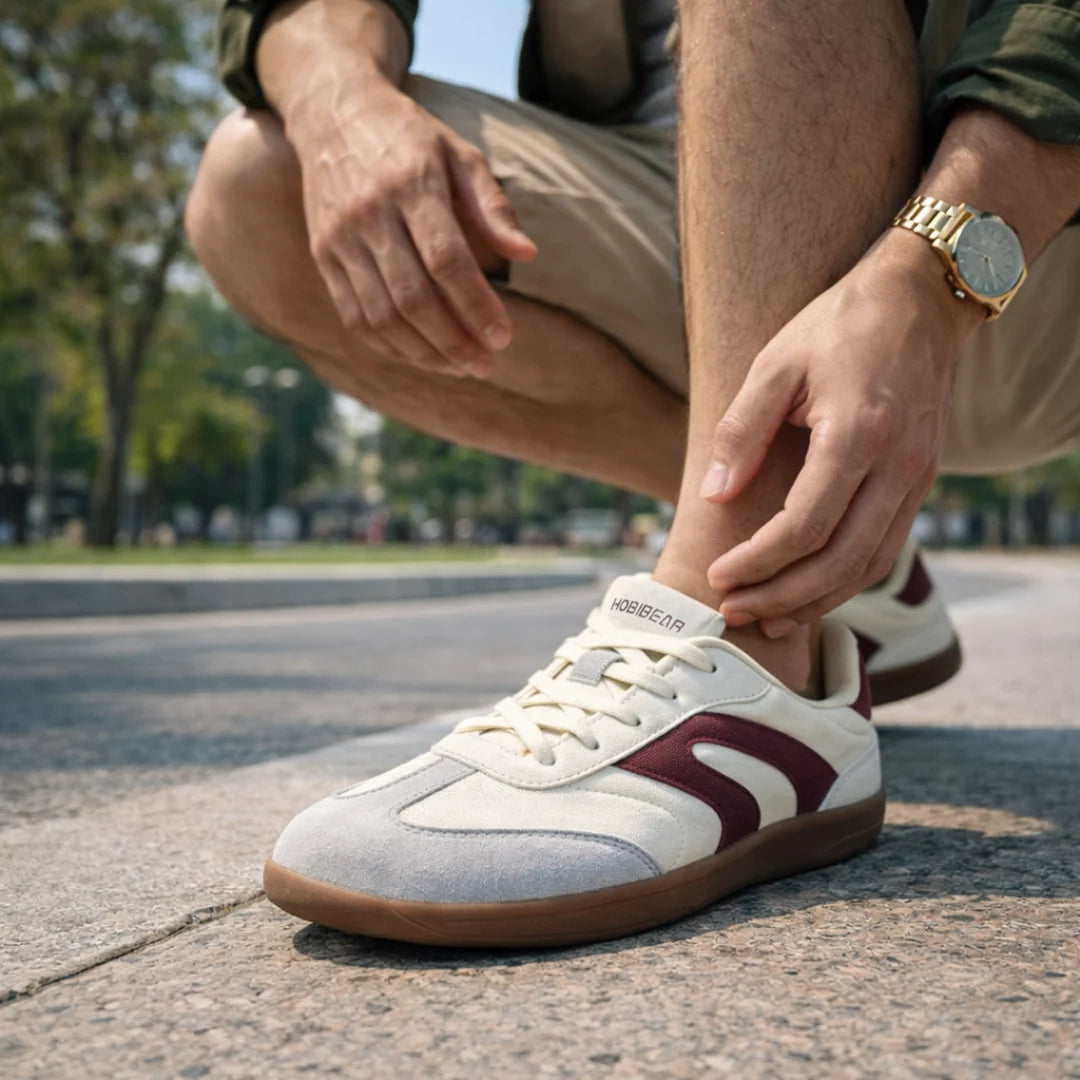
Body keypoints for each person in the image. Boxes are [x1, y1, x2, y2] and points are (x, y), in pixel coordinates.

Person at [187, 0, 1080, 947]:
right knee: (257, 188)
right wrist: (341, 103)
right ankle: (822, 546)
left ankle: (746, 644)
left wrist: (932, 272)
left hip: (1025, 226)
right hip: (709, 218)